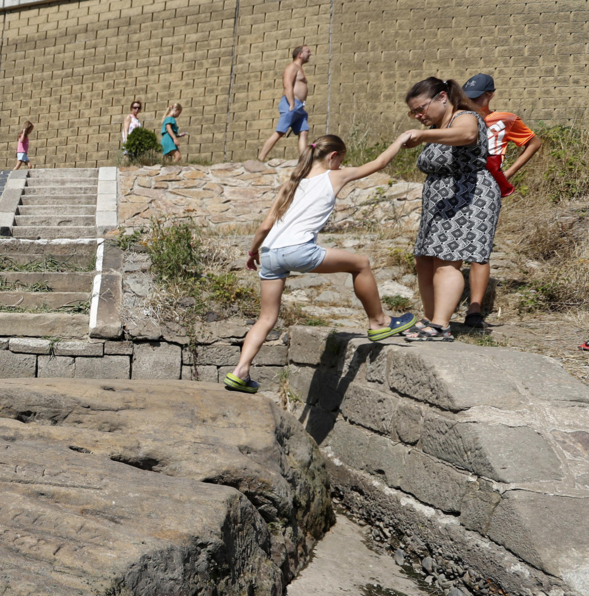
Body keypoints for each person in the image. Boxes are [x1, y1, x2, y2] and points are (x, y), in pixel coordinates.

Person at [224, 134, 417, 394]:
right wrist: (400, 140)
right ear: (333, 157)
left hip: (269, 253)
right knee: (361, 263)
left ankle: (240, 371)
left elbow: (266, 225)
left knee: (266, 318)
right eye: (341, 161)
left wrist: (252, 251)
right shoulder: (333, 176)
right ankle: (379, 321)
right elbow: (380, 162)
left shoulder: (292, 182)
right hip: (298, 250)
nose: (341, 166)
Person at [399, 77, 500, 342]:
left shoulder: (464, 116)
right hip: (440, 201)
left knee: (447, 259)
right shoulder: (437, 125)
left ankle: (441, 326)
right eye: (414, 112)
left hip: (467, 196)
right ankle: (431, 320)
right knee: (425, 260)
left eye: (421, 108)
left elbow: (467, 135)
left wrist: (423, 135)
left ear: (442, 97)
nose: (419, 116)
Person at [460, 73, 543, 328]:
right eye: (468, 98)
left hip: (488, 187)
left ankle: (474, 310)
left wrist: (508, 173)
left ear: (490, 95)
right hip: (459, 185)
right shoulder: (459, 118)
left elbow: (534, 142)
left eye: (477, 98)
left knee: (480, 249)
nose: (472, 102)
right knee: (453, 248)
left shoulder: (505, 119)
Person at [257, 45, 311, 162]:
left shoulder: (299, 68)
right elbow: (287, 85)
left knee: (304, 132)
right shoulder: (292, 67)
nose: (310, 54)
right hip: (291, 104)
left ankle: (304, 161)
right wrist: (291, 103)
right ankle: (260, 158)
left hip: (299, 107)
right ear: (300, 54)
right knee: (280, 132)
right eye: (308, 51)